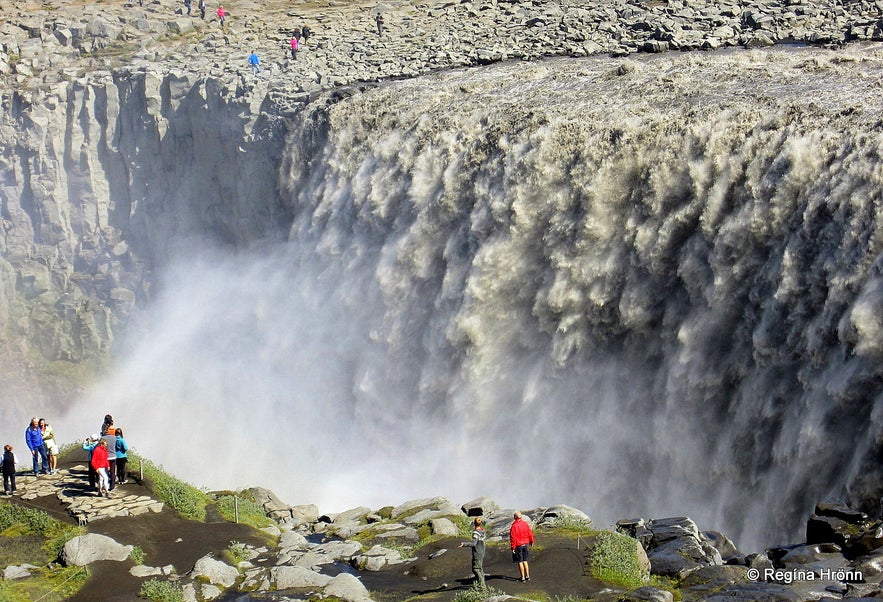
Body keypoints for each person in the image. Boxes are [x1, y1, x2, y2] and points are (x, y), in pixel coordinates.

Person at [459, 516, 487, 589]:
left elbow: (474, 544)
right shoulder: (483, 531)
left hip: (477, 552)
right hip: (482, 551)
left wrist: (464, 544)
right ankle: (482, 583)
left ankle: (482, 585)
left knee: (476, 569)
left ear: (474, 523)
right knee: (480, 568)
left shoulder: (475, 533)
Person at [509, 511, 535, 582]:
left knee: (520, 561)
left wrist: (513, 547)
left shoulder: (514, 526)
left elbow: (513, 538)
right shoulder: (525, 524)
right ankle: (527, 576)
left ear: (515, 517)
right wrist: (531, 541)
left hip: (518, 545)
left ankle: (522, 577)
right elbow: (529, 533)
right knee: (525, 560)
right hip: (525, 544)